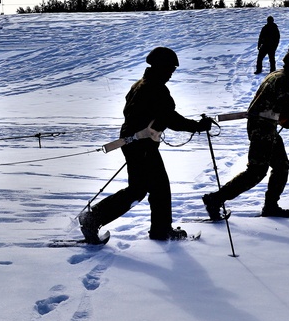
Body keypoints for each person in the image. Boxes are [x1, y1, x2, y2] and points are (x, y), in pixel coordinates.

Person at [79, 47, 214, 243]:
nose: (170, 74)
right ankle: (97, 219)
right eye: (169, 69)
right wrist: (198, 126)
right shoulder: (155, 88)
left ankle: (97, 218)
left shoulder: (140, 85)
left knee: (141, 189)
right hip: (141, 146)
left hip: (133, 143)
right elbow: (172, 119)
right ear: (160, 67)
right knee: (156, 188)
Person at [202, 48, 289, 219]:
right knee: (256, 171)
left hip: (265, 127)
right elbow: (287, 110)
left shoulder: (277, 75)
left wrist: (288, 118)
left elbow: (279, 110)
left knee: (281, 165)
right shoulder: (283, 81)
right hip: (263, 129)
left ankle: (270, 206)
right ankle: (216, 199)